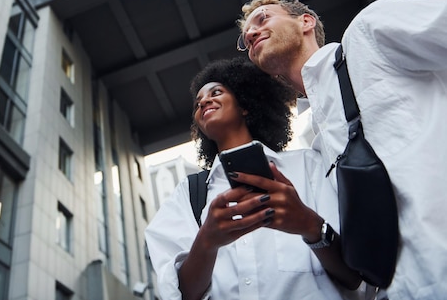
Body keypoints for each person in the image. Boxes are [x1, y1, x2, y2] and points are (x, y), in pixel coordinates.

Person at [237, 0, 447, 300]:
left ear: (305, 22)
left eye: (263, 18)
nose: (251, 33)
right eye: (245, 38)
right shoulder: (316, 147)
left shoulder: (368, 33)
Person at [145, 58, 361, 300]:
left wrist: (308, 224)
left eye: (216, 92)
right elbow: (183, 295)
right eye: (198, 103)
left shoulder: (308, 165)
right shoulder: (189, 194)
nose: (204, 101)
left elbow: (355, 277)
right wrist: (207, 241)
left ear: (245, 105)